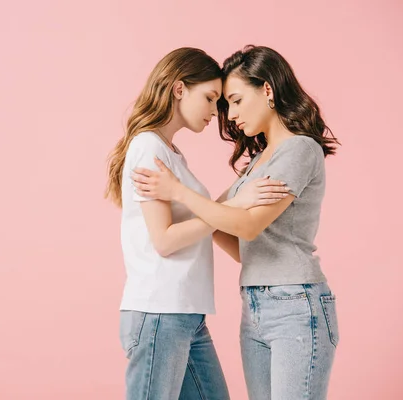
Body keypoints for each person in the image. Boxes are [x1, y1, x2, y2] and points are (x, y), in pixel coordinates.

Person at [131, 45, 341, 400]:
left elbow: (246, 226)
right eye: (225, 105)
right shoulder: (258, 161)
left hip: (296, 304)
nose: (230, 115)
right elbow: (239, 242)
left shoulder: (300, 150)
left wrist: (179, 192)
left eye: (237, 100)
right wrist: (198, 219)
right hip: (255, 305)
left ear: (268, 90)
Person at [105, 47, 288, 400]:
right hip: (159, 311)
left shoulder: (170, 153)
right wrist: (235, 204)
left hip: (185, 315)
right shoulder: (148, 147)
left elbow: (196, 216)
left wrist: (234, 207)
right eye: (210, 98)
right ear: (178, 90)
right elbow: (165, 240)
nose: (215, 112)